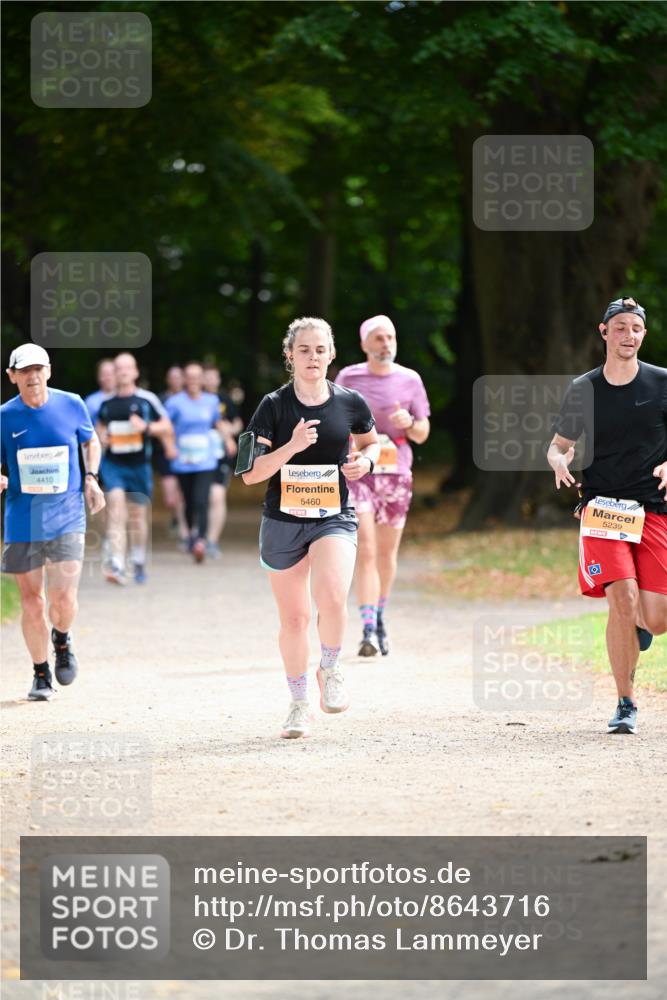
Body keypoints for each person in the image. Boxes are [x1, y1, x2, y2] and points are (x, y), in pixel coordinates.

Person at [241, 316, 379, 739]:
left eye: (320, 350)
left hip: (332, 516)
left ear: (332, 354)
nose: (313, 357)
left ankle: (331, 669)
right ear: (290, 356)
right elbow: (249, 473)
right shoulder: (273, 405)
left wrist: (366, 462)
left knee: (334, 596)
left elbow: (372, 442)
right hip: (282, 520)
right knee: (296, 619)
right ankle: (299, 702)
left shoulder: (350, 402)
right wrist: (293, 446)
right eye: (304, 350)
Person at [548, 296, 667, 735]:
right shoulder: (584, 388)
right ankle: (625, 703)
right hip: (603, 510)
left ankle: (639, 625)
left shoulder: (662, 383)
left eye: (634, 328)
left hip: (653, 508)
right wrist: (558, 459)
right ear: (604, 333)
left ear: (643, 335)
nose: (627, 336)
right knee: (622, 600)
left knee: (655, 617)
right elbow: (558, 444)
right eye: (619, 328)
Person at [1, 344, 106, 701]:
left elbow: (91, 442)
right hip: (22, 520)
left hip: (66, 516)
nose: (32, 377)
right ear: (12, 376)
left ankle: (61, 638)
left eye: (38, 369)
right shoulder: (5, 416)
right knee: (32, 602)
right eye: (24, 371)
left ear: (49, 371)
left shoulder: (72, 404)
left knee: (62, 600)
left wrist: (91, 477)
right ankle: (40, 673)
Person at [335, 315, 431, 656]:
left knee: (387, 554)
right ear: (364, 344)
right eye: (377, 338)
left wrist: (411, 423)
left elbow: (422, 433)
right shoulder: (349, 377)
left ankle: (379, 616)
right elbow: (335, 421)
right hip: (359, 471)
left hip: (396, 474)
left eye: (390, 337)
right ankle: (367, 629)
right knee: (367, 548)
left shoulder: (410, 380)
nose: (385, 343)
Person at [96, 353, 172, 585]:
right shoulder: (106, 404)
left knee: (137, 516)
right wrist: (103, 437)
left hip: (139, 465)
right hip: (114, 465)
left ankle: (138, 560)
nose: (123, 372)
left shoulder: (147, 399)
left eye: (128, 367)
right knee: (116, 507)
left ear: (136, 372)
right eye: (119, 368)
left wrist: (146, 427)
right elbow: (99, 429)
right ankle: (117, 563)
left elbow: (167, 427)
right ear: (114, 373)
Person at [165, 362, 228, 563]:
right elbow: (166, 427)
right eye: (189, 377)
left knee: (202, 499)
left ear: (202, 379)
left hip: (206, 460)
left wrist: (227, 439)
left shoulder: (211, 401)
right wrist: (169, 445)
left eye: (196, 377)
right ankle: (192, 535)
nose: (193, 381)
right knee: (190, 502)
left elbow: (217, 422)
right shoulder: (175, 402)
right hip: (183, 461)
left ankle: (201, 540)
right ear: (184, 380)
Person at [202, 364, 243, 557]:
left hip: (220, 455)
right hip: (196, 456)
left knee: (217, 496)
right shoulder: (193, 400)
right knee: (197, 497)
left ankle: (211, 540)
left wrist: (229, 432)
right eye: (206, 377)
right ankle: (195, 536)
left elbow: (237, 423)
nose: (210, 381)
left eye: (213, 377)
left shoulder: (224, 399)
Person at [155, 365, 187, 548]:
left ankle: (184, 530)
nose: (175, 380)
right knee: (171, 498)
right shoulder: (161, 400)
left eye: (178, 377)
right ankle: (176, 517)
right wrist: (168, 444)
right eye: (172, 377)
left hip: (187, 454)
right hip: (165, 453)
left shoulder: (190, 399)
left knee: (183, 493)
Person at [84, 358, 116, 424]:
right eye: (104, 374)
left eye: (111, 373)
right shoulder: (90, 402)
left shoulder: (127, 397)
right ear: (98, 377)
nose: (108, 378)